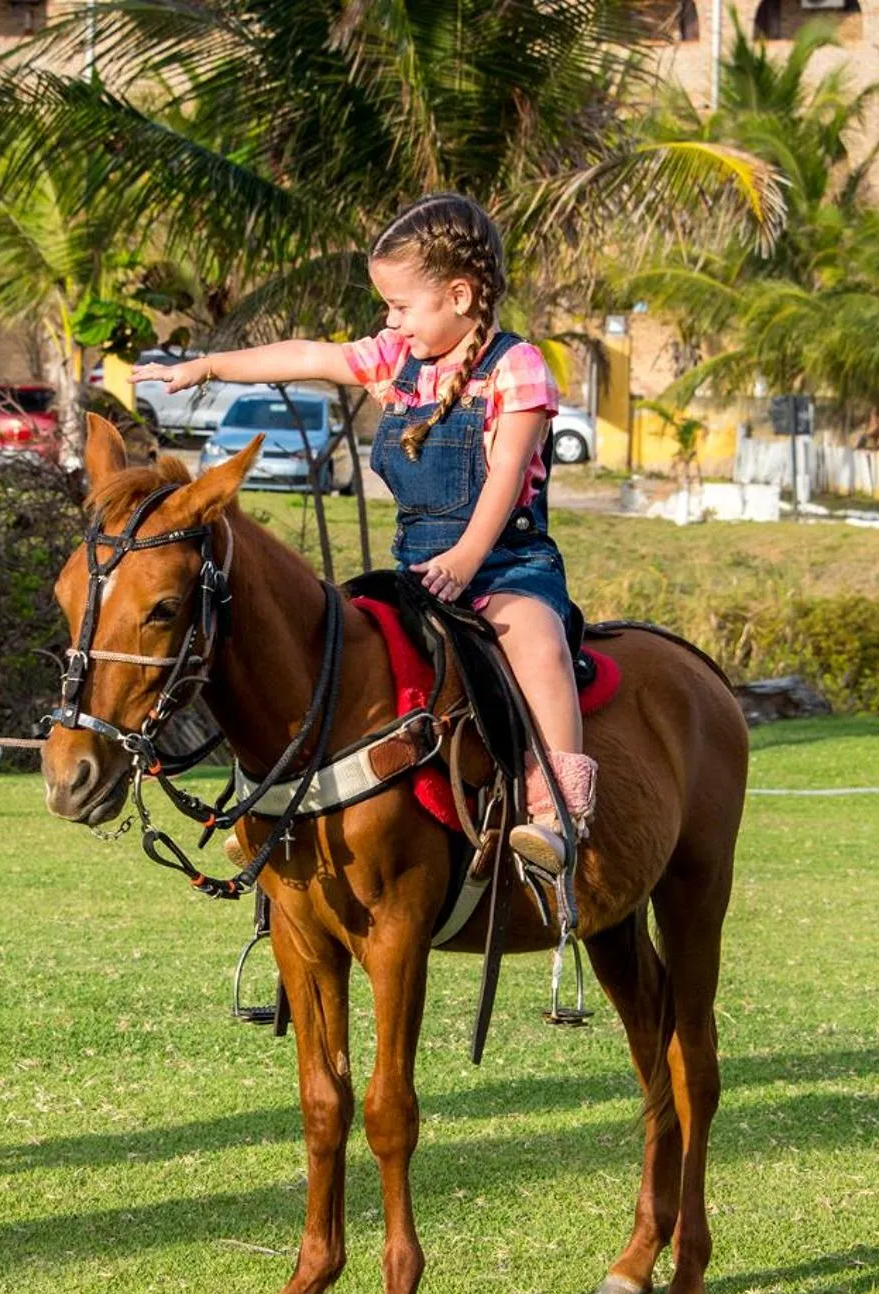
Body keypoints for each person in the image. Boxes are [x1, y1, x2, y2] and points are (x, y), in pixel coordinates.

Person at [131, 192, 593, 873]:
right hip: (417, 570)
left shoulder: (514, 368)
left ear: (459, 295)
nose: (391, 321)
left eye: (401, 306)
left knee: (540, 645)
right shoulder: (392, 363)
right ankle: (279, 799)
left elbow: (504, 479)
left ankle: (559, 812)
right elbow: (307, 354)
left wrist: (467, 558)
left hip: (504, 564)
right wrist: (204, 367)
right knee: (324, 653)